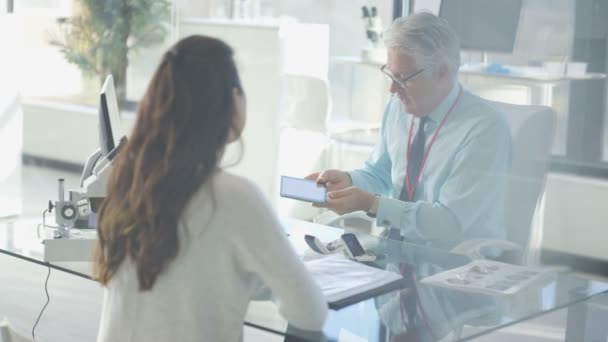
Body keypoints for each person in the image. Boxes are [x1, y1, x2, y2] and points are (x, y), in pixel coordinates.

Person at [93, 35, 327, 342]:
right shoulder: (235, 197)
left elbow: (184, 273)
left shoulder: (128, 180)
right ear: (233, 100)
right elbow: (310, 313)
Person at [309, 13, 512, 249]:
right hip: (395, 254)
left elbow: (449, 223)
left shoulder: (485, 129)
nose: (392, 89)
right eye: (391, 74)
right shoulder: (398, 107)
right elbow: (380, 173)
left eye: (403, 78)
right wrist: (348, 181)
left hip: (456, 263)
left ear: (442, 72)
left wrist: (372, 204)